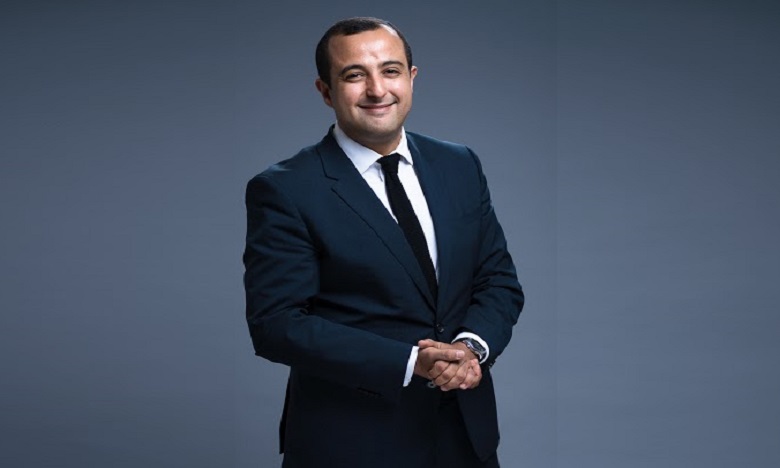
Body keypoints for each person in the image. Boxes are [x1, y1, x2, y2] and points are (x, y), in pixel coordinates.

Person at [243, 16, 524, 468]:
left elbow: (497, 280)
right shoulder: (285, 189)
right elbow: (276, 324)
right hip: (350, 443)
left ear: (411, 78)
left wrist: (470, 348)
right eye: (354, 75)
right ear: (325, 91)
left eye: (390, 71)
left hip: (465, 437)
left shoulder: (459, 164)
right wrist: (410, 362)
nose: (377, 90)